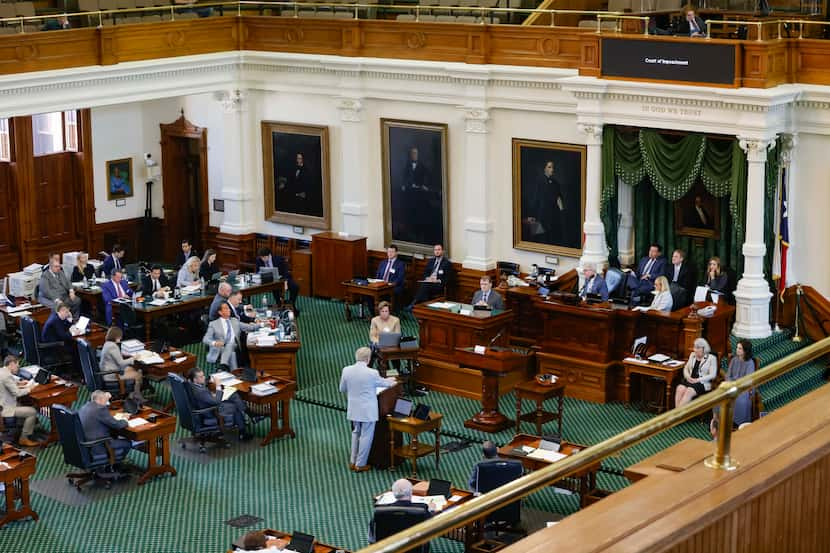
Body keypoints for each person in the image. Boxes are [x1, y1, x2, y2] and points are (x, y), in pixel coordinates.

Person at [339, 347, 396, 472]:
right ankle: (360, 464)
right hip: (367, 411)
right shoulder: (372, 373)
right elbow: (385, 384)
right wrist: (392, 380)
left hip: (354, 408)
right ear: (368, 359)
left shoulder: (346, 370)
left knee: (355, 433)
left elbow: (342, 389)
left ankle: (352, 461)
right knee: (366, 436)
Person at [187, 367, 251, 441]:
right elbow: (216, 401)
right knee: (235, 406)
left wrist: (210, 383)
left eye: (203, 375)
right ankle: (243, 431)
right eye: (201, 377)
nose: (204, 377)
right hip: (211, 411)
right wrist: (218, 386)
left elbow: (205, 392)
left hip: (207, 405)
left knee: (233, 395)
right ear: (195, 379)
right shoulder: (200, 392)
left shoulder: (192, 385)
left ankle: (248, 415)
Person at [522, 160, 574, 248]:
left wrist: (562, 213)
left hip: (553, 216)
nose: (552, 169)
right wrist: (531, 216)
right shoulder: (538, 181)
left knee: (553, 240)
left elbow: (559, 199)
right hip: (540, 216)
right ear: (544, 168)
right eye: (549, 167)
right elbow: (535, 200)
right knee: (540, 241)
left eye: (553, 167)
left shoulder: (555, 183)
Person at [710, 339, 756, 437]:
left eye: (740, 348)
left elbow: (748, 380)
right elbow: (728, 375)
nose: (737, 350)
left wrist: (736, 384)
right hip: (731, 385)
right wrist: (731, 383)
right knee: (719, 394)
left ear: (745, 351)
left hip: (743, 388)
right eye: (737, 348)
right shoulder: (734, 360)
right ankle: (717, 421)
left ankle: (735, 423)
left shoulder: (750, 363)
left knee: (739, 400)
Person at [368, 479, 433, 544]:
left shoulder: (380, 511)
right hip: (414, 547)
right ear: (411, 492)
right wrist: (432, 510)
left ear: (393, 493)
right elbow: (431, 525)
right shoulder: (422, 509)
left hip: (388, 548)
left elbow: (372, 538)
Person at [203, 302, 258, 371]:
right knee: (230, 350)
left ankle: (223, 367)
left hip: (235, 346)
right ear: (220, 312)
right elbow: (206, 339)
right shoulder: (213, 324)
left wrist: (262, 324)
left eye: (229, 308)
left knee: (232, 346)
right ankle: (234, 371)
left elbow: (249, 327)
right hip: (221, 348)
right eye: (226, 309)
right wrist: (215, 343)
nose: (229, 310)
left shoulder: (234, 321)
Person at [0, 355, 41, 447]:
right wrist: (30, 388)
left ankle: (24, 426)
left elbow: (7, 385)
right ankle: (24, 438)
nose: (18, 369)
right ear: (11, 364)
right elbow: (17, 393)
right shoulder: (6, 376)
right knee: (32, 411)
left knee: (27, 403)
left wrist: (19, 383)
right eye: (17, 366)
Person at [78, 390, 131, 458]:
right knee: (128, 443)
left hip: (85, 444)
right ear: (100, 400)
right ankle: (115, 462)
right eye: (106, 401)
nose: (107, 403)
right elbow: (118, 425)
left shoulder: (85, 406)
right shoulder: (100, 409)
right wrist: (125, 419)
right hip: (99, 445)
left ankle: (111, 463)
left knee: (113, 434)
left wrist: (105, 397)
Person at [675, 337, 718, 408]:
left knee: (689, 391)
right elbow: (686, 368)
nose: (695, 350)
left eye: (698, 348)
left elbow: (713, 375)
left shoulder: (711, 358)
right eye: (695, 347)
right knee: (680, 388)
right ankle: (677, 415)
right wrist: (688, 376)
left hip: (702, 382)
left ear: (704, 348)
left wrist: (697, 380)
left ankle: (677, 416)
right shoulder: (692, 355)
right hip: (690, 380)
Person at [256, 247, 300, 312]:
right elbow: (257, 271)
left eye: (264, 257)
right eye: (261, 258)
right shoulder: (259, 260)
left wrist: (285, 281)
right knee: (274, 286)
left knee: (295, 287)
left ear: (269, 255)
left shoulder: (279, 259)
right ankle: (279, 304)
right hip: (268, 280)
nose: (263, 259)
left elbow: (286, 272)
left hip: (282, 278)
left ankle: (291, 303)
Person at [38, 252, 81, 319]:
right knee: (59, 306)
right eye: (56, 267)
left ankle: (74, 319)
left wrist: (71, 290)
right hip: (53, 298)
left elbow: (68, 282)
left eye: (59, 266)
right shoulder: (45, 275)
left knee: (76, 300)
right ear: (51, 266)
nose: (58, 268)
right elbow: (46, 291)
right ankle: (62, 321)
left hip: (64, 296)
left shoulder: (60, 272)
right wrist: (56, 299)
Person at [100, 326, 143, 391]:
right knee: (138, 374)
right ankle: (137, 395)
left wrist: (127, 356)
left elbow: (115, 358)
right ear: (116, 336)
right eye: (120, 336)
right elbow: (121, 363)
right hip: (112, 375)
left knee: (132, 368)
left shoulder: (107, 344)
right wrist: (133, 358)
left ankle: (132, 393)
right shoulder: (113, 346)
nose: (121, 338)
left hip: (107, 372)